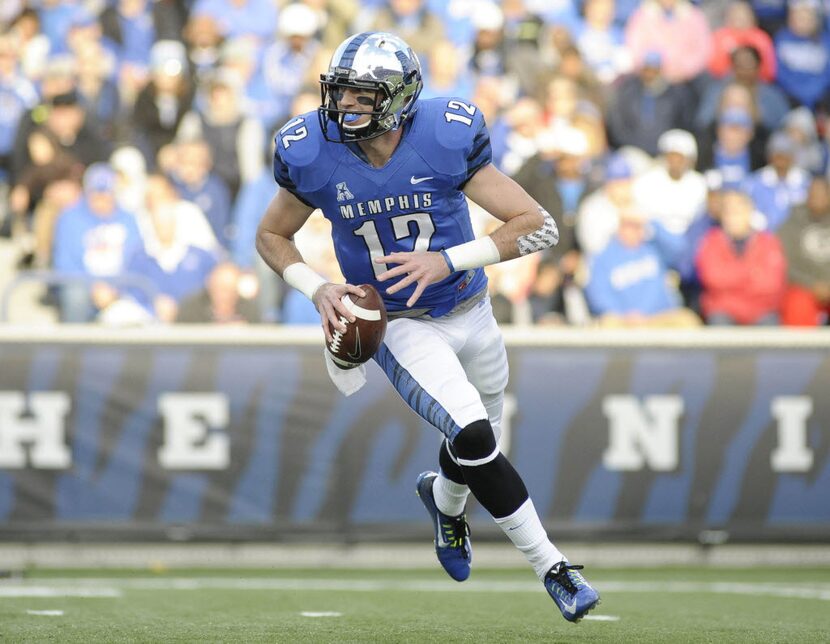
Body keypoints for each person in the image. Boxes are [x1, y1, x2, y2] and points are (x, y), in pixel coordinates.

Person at [255, 32, 599, 622]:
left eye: (362, 95)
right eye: (341, 94)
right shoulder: (312, 149)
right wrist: (317, 288)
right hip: (401, 323)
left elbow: (537, 226)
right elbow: (270, 234)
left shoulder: (444, 137)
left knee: (479, 439)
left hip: (470, 305)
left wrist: (450, 258)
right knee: (472, 436)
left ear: (399, 97)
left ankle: (443, 502)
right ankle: (553, 567)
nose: (346, 108)